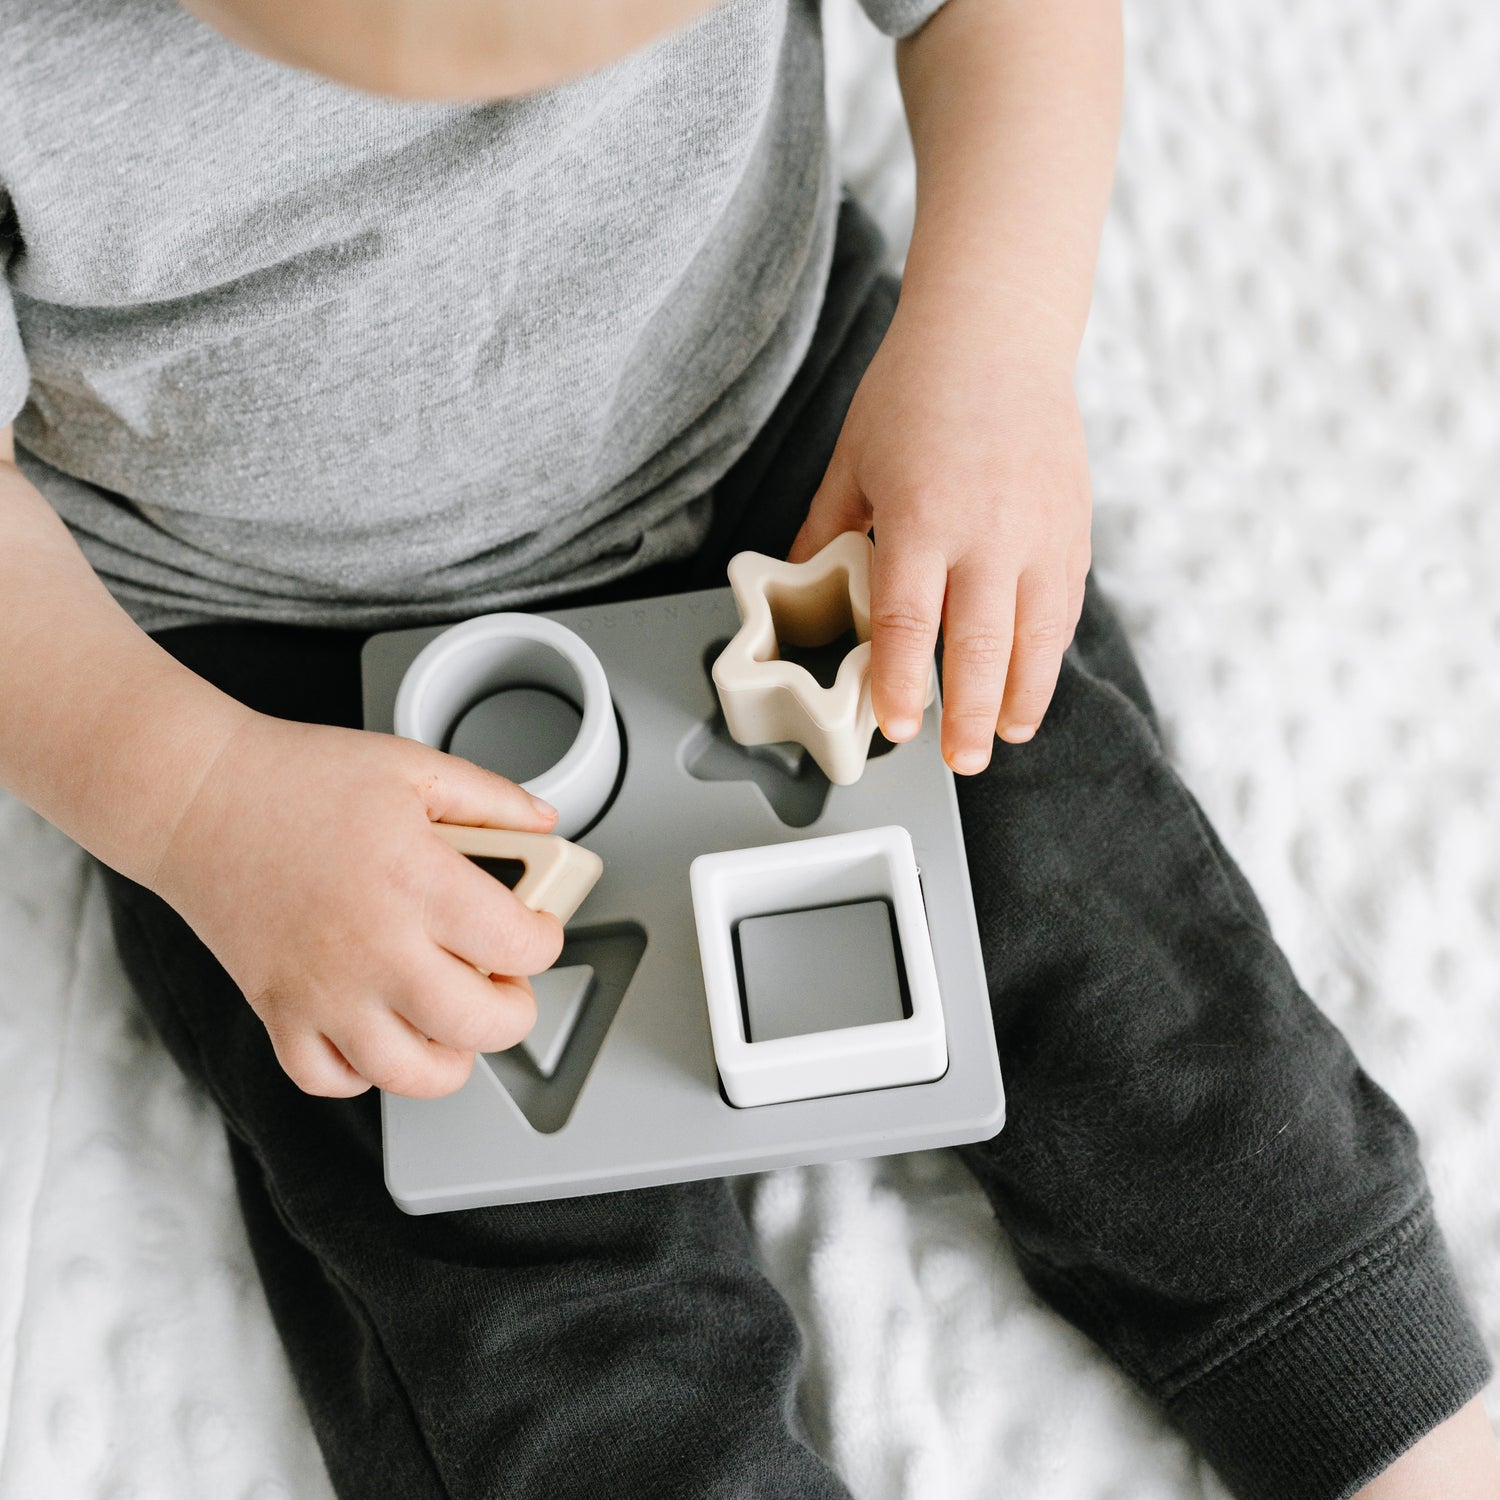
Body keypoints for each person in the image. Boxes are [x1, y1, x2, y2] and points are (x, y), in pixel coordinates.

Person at [0, 1, 1495, 1495]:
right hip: (281, 678)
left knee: (1102, 918)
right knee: (522, 1286)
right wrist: (194, 795)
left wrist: (994, 345)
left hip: (786, 471)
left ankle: (1372, 1393)